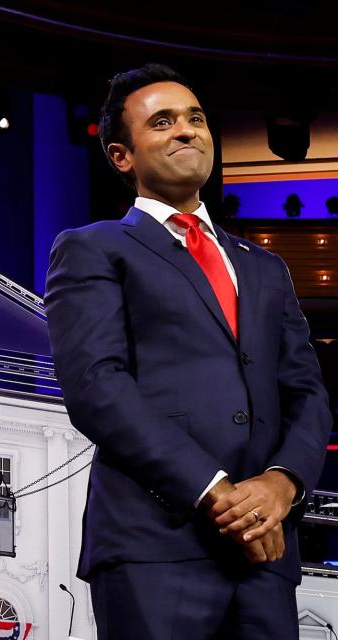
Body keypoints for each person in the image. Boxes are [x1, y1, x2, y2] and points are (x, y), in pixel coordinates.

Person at [45, 63, 330, 639]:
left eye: (196, 119)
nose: (187, 131)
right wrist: (216, 491)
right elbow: (97, 386)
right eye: (164, 122)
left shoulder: (265, 267)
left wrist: (282, 484)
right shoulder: (92, 248)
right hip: (155, 545)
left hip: (266, 554)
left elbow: (308, 393)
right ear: (121, 155)